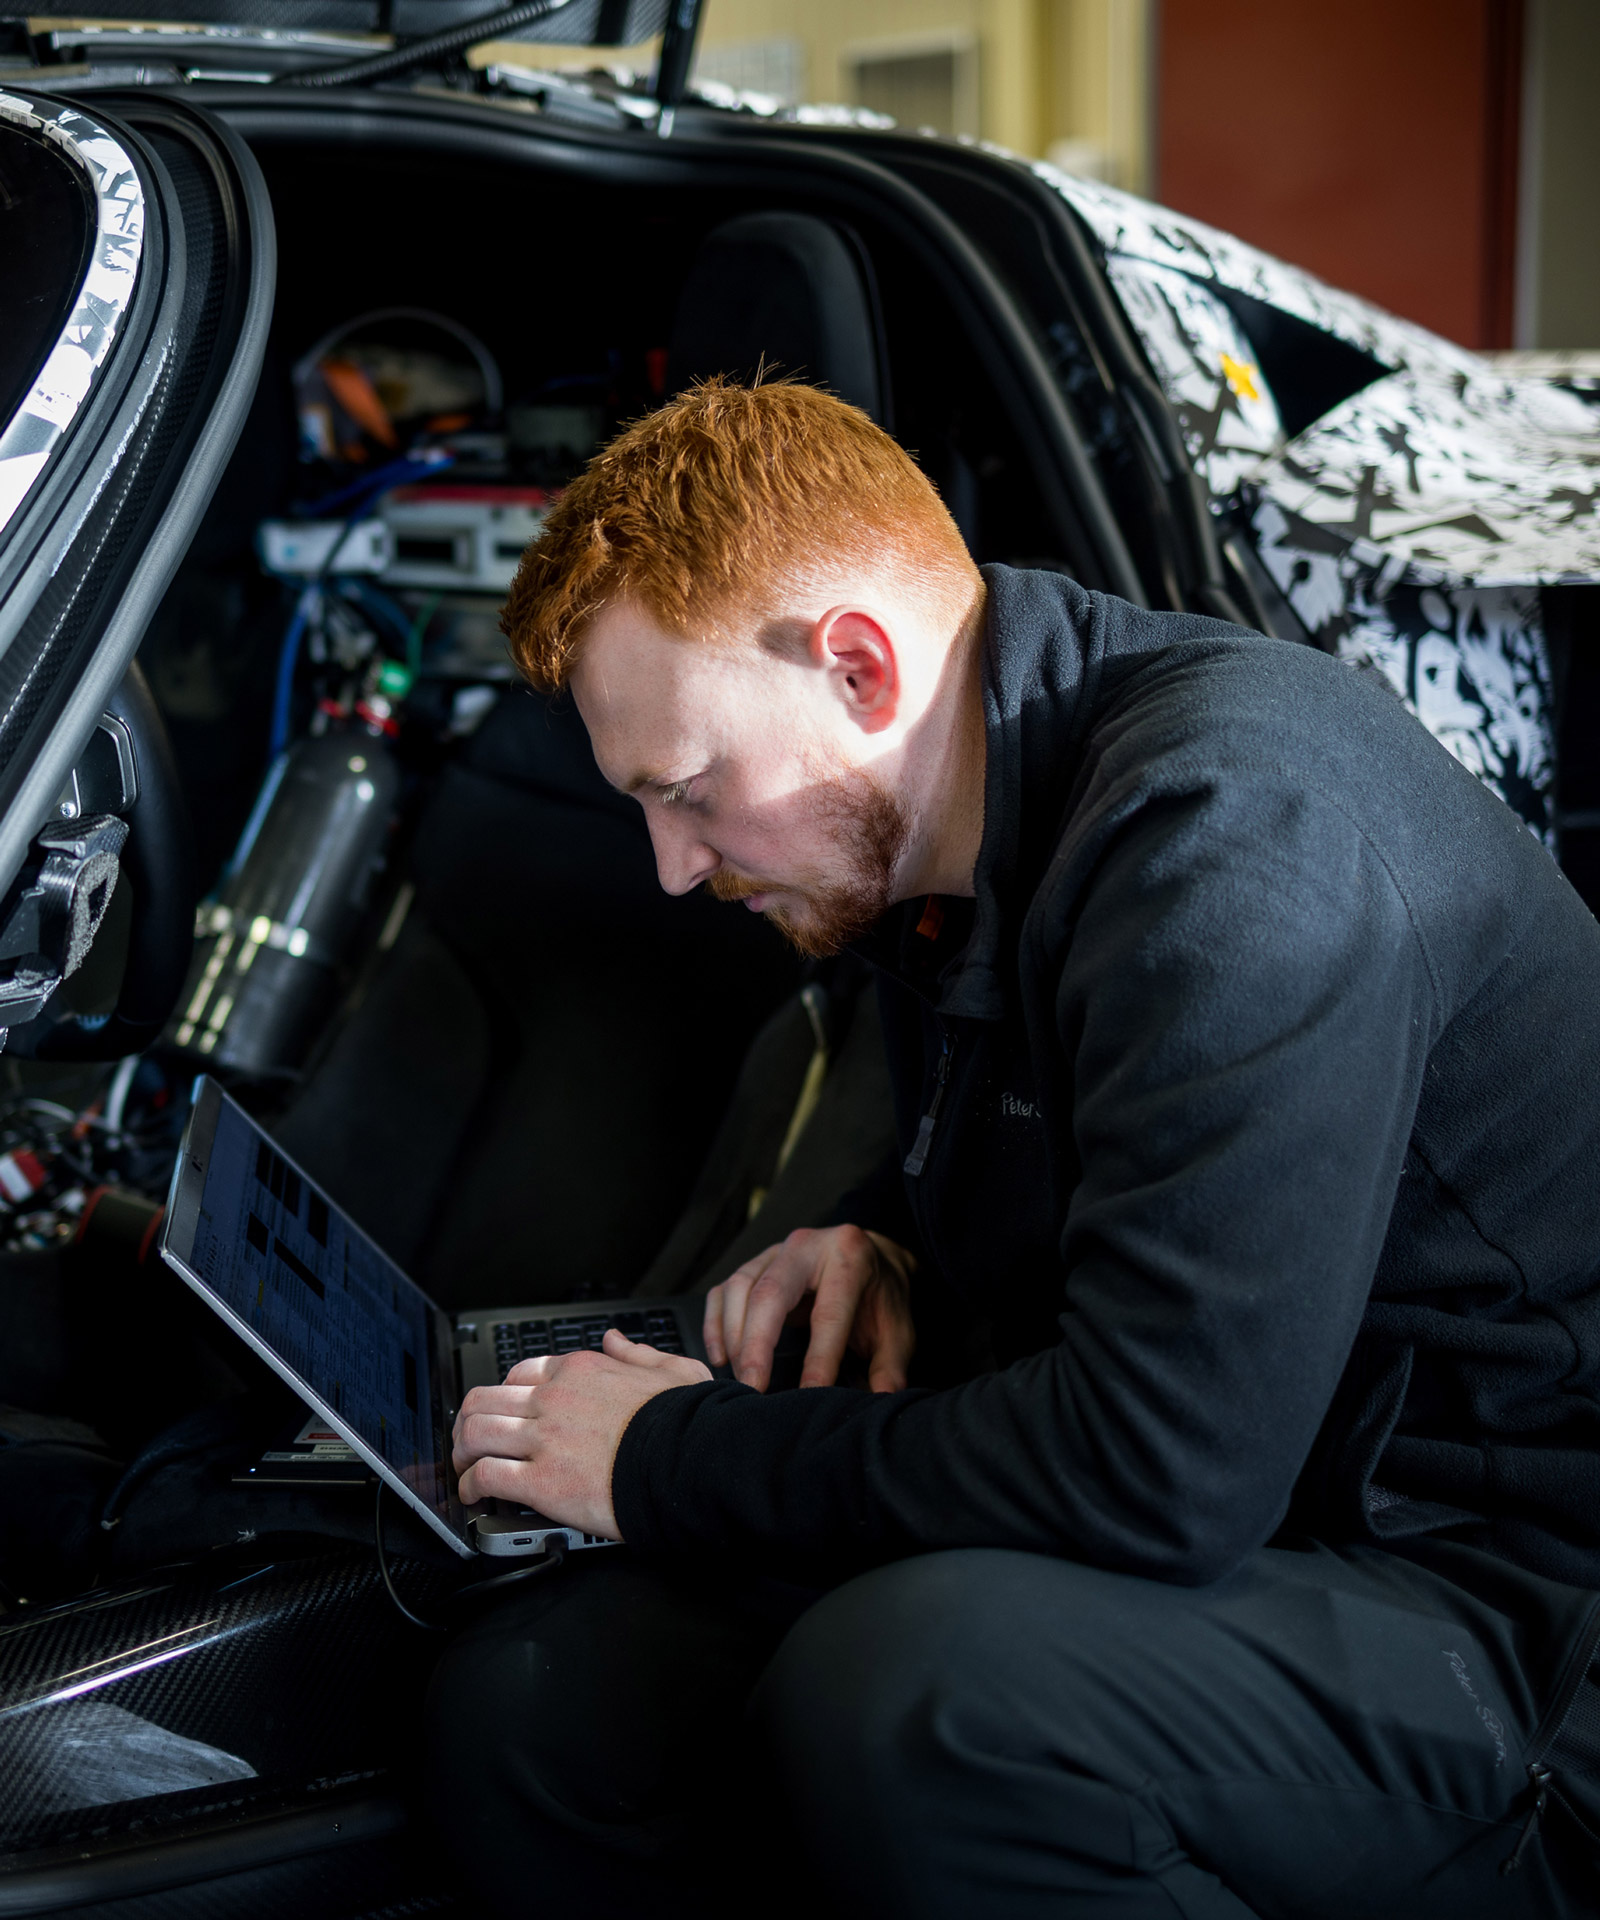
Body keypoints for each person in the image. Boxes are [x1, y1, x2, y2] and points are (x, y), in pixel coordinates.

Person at [426, 379, 1600, 1918]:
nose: (672, 868)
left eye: (694, 794)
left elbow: (1155, 1475)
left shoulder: (1234, 837)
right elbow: (1111, 1149)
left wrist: (667, 1458)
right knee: (540, 1699)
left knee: (923, 1703)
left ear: (857, 664)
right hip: (1271, 1521)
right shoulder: (946, 842)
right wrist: (888, 1232)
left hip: (1503, 1608)